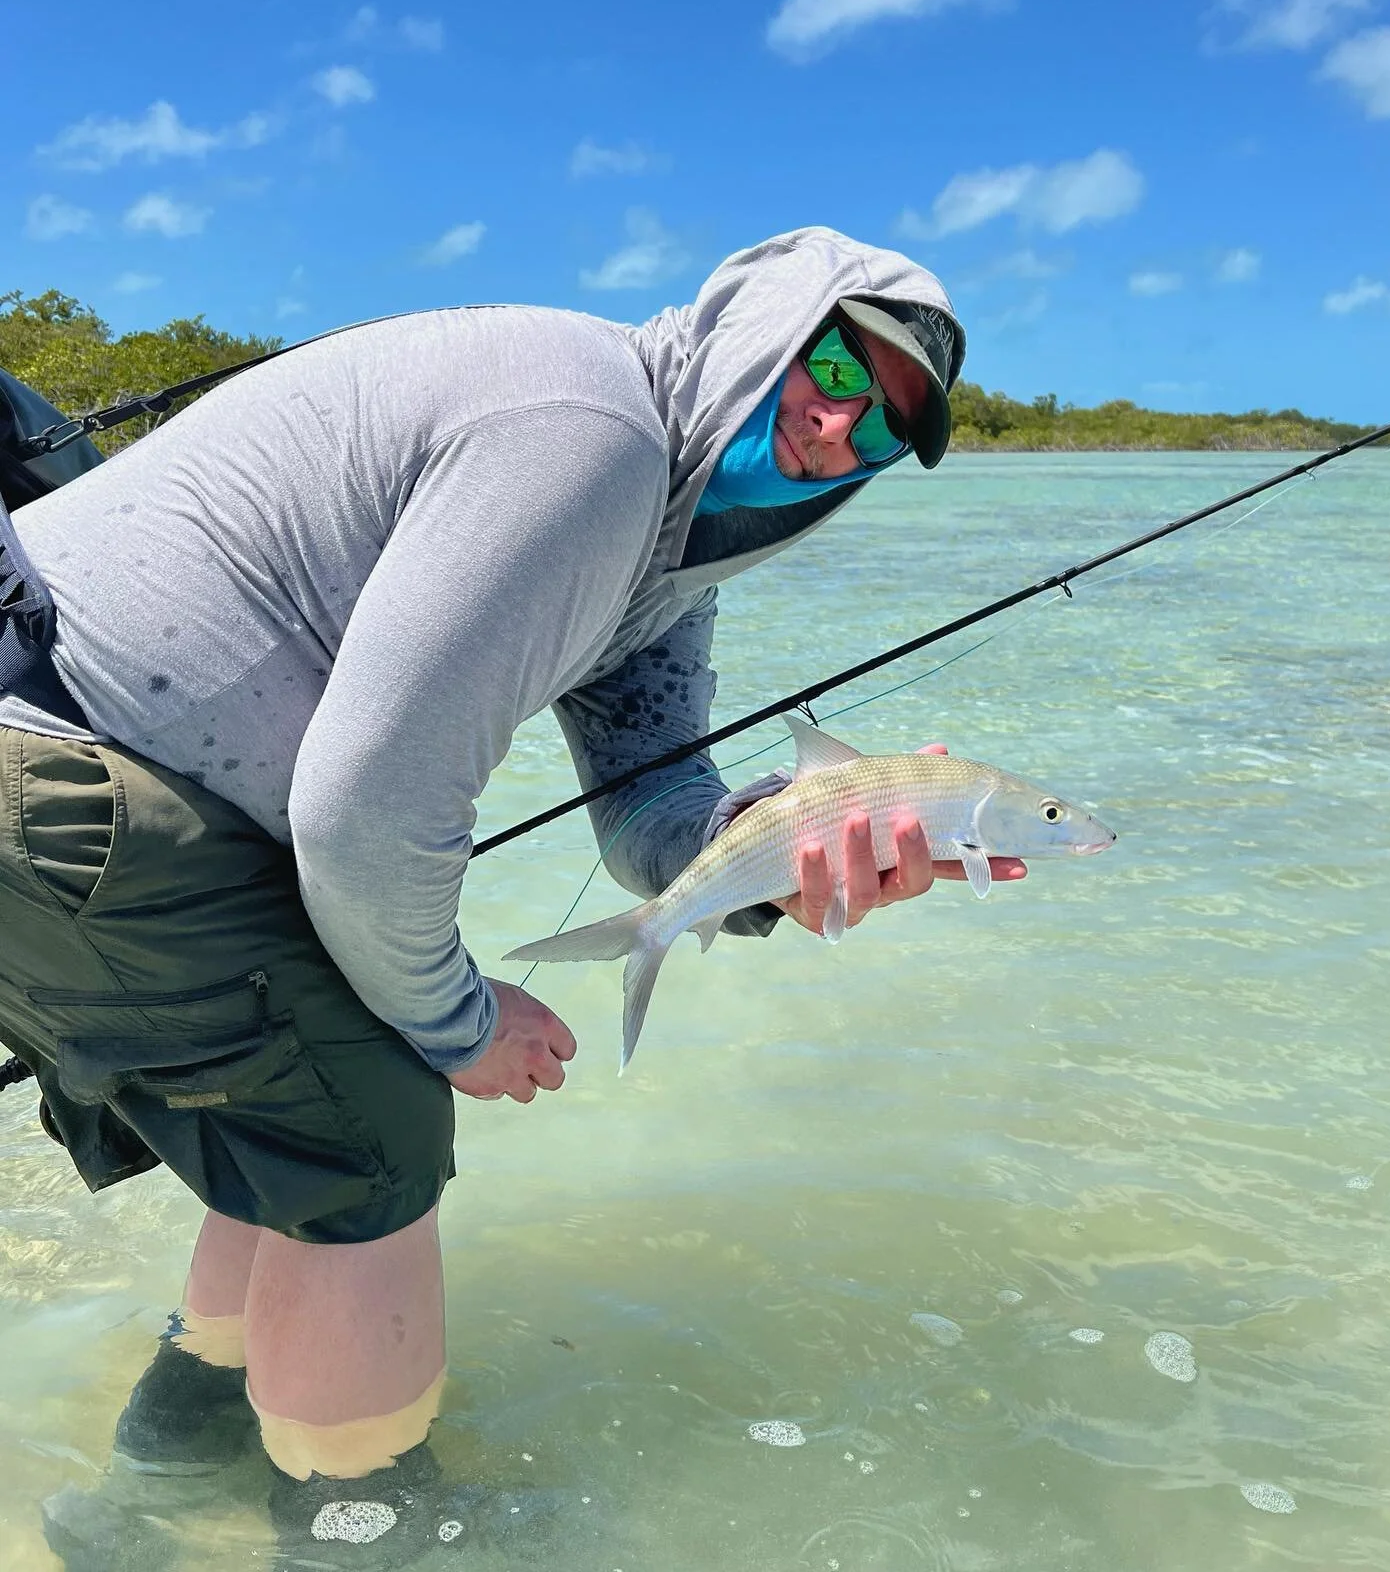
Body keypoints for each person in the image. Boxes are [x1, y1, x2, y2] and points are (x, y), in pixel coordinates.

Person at [0, 226, 1023, 1565]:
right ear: (755, 324)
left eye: (888, 429)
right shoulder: (588, 433)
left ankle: (147, 1493)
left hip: (69, 796)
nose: (839, 426)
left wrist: (781, 855)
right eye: (834, 364)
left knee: (295, 1119)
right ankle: (361, 1525)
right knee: (372, 1130)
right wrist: (459, 1021)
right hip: (69, 775)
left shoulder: (670, 557)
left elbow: (657, 815)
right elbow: (365, 812)